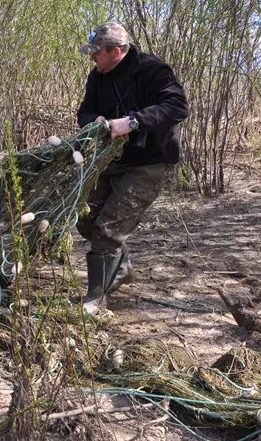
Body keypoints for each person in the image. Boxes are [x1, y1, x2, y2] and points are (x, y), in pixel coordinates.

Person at [75, 22, 189, 315]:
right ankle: (120, 267)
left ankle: (96, 297)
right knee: (85, 216)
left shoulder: (151, 70)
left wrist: (134, 121)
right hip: (112, 161)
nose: (92, 58)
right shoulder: (97, 77)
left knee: (108, 230)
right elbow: (85, 111)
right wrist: (96, 122)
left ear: (115, 51)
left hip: (149, 161)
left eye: (96, 53)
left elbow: (178, 106)